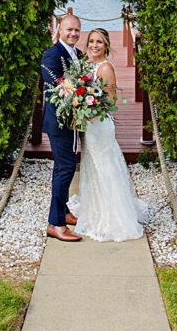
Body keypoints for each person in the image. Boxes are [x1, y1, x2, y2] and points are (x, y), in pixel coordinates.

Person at [66, 28, 148, 242]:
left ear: (106, 46)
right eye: (91, 41)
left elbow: (111, 101)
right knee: (92, 165)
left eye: (99, 42)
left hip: (100, 126)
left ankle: (113, 215)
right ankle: (95, 207)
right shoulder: (86, 65)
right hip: (89, 126)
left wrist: (89, 111)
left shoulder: (105, 68)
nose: (94, 45)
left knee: (105, 166)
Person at [40, 13, 84, 242]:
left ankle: (64, 211)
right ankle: (55, 223)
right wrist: (79, 94)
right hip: (58, 122)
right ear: (59, 30)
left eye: (77, 30)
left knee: (68, 165)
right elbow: (56, 87)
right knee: (64, 168)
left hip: (72, 121)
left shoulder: (78, 54)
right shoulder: (52, 55)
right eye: (69, 29)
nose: (73, 34)